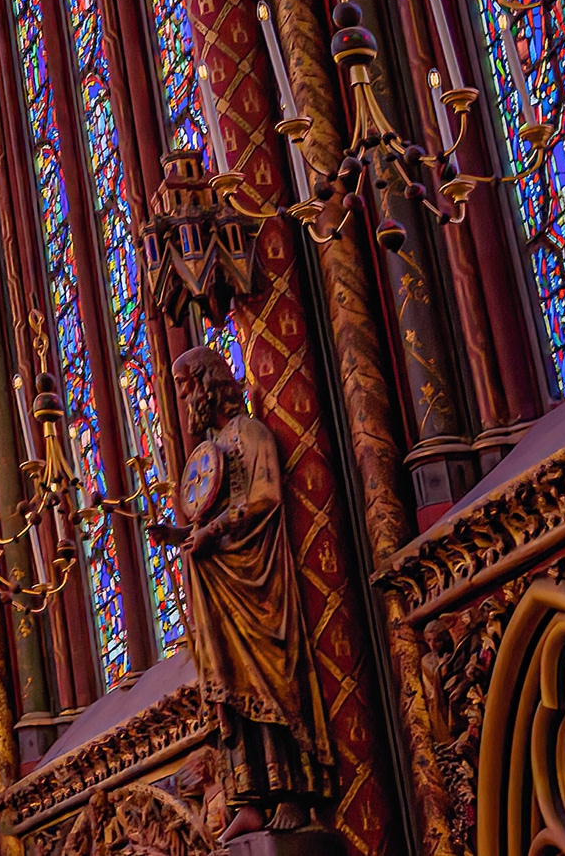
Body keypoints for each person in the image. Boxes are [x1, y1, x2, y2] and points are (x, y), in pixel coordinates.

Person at [143, 344, 329, 827]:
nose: (186, 403)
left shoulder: (248, 433)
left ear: (208, 383)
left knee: (270, 683)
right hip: (220, 582)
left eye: (187, 390)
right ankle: (250, 798)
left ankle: (292, 790)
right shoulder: (213, 446)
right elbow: (211, 509)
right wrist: (181, 534)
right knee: (228, 688)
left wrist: (210, 532)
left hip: (256, 583)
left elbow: (264, 497)